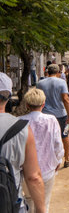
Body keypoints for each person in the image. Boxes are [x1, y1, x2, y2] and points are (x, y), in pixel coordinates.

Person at [0, 73, 45, 213]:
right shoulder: (20, 128)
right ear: (8, 98)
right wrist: (41, 210)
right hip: (10, 205)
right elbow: (33, 177)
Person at [20, 88, 64, 213]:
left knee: (28, 201)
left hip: (25, 172)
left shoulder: (20, 121)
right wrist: (58, 160)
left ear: (27, 104)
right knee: (44, 203)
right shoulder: (51, 120)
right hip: (47, 169)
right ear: (43, 104)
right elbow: (57, 145)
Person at [36, 64, 69, 168]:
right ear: (58, 72)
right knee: (64, 136)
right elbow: (65, 99)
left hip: (45, 113)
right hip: (60, 114)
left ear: (47, 72)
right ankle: (67, 158)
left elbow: (39, 98)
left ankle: (47, 159)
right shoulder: (61, 82)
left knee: (47, 137)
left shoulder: (40, 83)